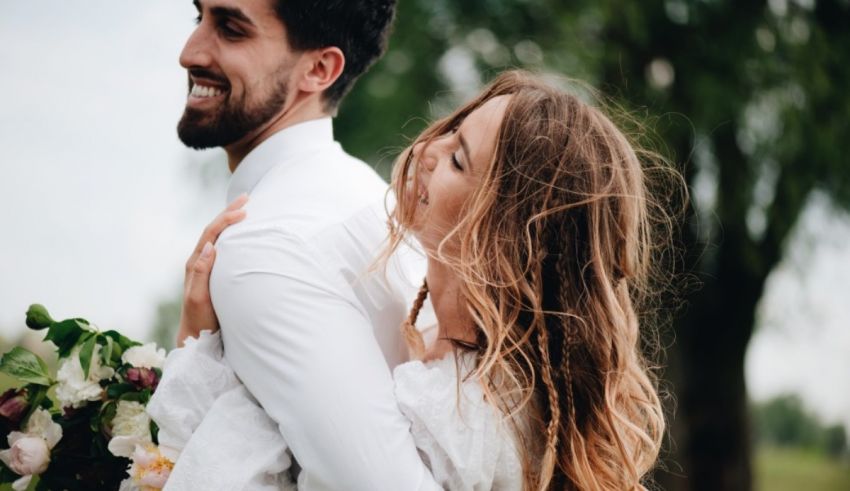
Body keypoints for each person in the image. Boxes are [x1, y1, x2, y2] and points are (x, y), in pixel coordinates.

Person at [163, 70, 677, 490]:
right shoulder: (453, 366)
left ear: (503, 237)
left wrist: (199, 347)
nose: (429, 149)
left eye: (458, 159)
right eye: (451, 129)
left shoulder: (465, 413)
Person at [159, 0, 440, 490]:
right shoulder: (367, 194)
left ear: (319, 69)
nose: (190, 52)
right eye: (197, 18)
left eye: (230, 29)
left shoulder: (265, 247)